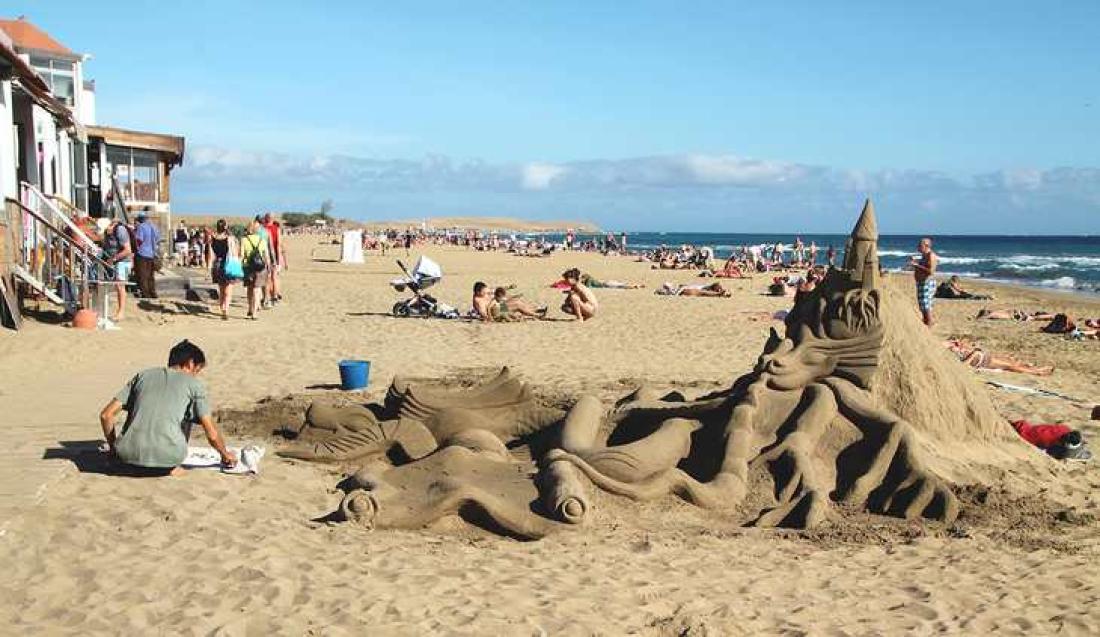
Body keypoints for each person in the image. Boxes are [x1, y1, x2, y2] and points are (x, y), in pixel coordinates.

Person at [99, 340, 236, 475]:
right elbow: (211, 433)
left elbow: (106, 415)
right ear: (190, 363)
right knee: (190, 414)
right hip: (167, 460)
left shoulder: (143, 375)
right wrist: (225, 454)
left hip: (126, 456)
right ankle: (169, 463)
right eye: (197, 370)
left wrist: (113, 448)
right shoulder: (194, 384)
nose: (196, 375)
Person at [943, 339, 1053, 376]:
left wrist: (959, 344)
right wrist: (973, 354)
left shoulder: (947, 347)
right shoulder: (947, 353)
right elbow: (964, 365)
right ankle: (1036, 372)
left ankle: (1035, 368)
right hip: (982, 360)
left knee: (1010, 361)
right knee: (1010, 366)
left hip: (983, 356)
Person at [206, 219, 239, 320]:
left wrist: (209, 267)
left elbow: (211, 254)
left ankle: (222, 308)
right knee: (228, 289)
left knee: (221, 289)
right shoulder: (230, 238)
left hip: (217, 265)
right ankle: (226, 308)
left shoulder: (212, 239)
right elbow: (234, 253)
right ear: (225, 227)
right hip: (228, 264)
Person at [101, 217, 133, 321]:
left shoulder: (120, 230)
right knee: (117, 285)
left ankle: (121, 312)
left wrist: (113, 258)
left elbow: (127, 250)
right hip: (116, 261)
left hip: (124, 261)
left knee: (120, 285)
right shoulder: (107, 232)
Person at [241, 218, 271, 320]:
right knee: (257, 290)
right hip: (260, 267)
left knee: (249, 289)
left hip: (247, 267)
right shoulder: (262, 240)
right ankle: (254, 313)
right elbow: (266, 255)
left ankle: (250, 308)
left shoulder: (244, 240)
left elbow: (241, 255)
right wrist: (268, 266)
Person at [909, 237, 938, 326]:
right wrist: (915, 263)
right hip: (921, 284)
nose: (918, 246)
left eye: (920, 245)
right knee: (923, 307)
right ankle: (926, 325)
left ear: (926, 246)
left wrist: (916, 265)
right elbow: (922, 267)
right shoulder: (924, 256)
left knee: (926, 307)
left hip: (927, 283)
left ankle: (928, 326)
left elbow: (931, 271)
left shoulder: (930, 255)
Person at [133, 212, 160, 299]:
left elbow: (139, 240)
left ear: (140, 219)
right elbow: (158, 240)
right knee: (150, 276)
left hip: (142, 254)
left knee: (143, 275)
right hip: (152, 254)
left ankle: (145, 294)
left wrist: (135, 248)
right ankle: (153, 293)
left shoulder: (141, 227)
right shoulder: (154, 227)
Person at [262, 213, 287, 304]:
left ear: (265, 218)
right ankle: (275, 296)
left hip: (264, 255)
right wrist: (278, 258)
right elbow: (278, 245)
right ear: (272, 219)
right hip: (274, 255)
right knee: (274, 276)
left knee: (267, 278)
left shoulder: (262, 229)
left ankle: (267, 296)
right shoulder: (276, 229)